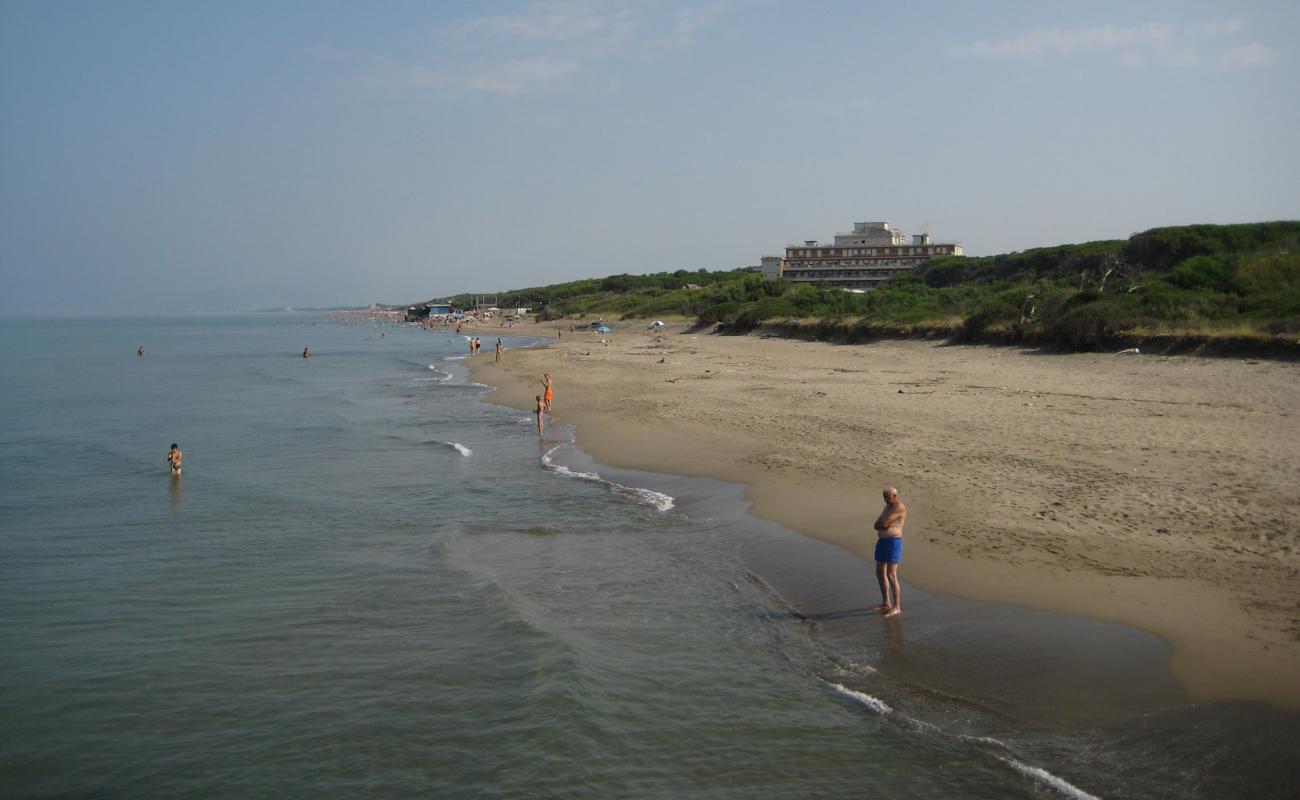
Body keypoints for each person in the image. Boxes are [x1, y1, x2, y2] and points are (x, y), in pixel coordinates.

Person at [872, 486, 907, 617]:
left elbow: (883, 523)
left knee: (891, 574)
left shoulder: (899, 508)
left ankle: (897, 606)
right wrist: (882, 524)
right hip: (882, 542)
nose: (885, 500)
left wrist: (882, 524)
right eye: (884, 497)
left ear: (894, 496)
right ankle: (886, 602)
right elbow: (877, 524)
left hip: (893, 542)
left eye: (887, 497)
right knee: (880, 571)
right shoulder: (887, 507)